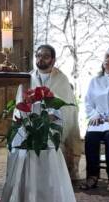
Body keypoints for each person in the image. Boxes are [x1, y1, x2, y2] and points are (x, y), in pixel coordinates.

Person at [29, 44, 82, 179]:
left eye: (45, 57)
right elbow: (20, 102)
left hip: (54, 122)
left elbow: (68, 107)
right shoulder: (28, 78)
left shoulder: (61, 79)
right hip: (31, 121)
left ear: (53, 60)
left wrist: (53, 116)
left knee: (51, 136)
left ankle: (53, 177)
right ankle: (30, 175)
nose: (41, 59)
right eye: (39, 56)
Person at [80, 46, 109, 192]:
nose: (108, 60)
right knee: (90, 138)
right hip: (98, 121)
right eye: (107, 56)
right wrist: (94, 114)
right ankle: (92, 176)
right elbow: (88, 102)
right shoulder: (95, 81)